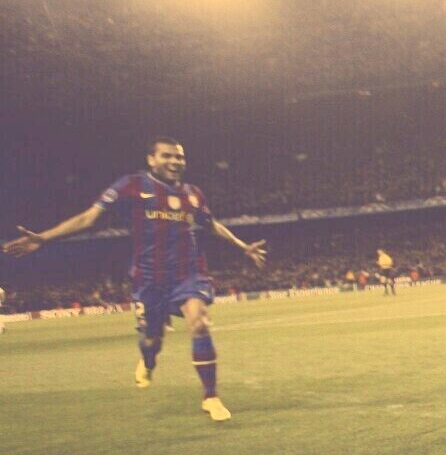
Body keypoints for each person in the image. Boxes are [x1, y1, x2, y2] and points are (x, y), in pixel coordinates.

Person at [3, 136, 266, 421]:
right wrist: (44, 238)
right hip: (149, 279)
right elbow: (89, 218)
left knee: (200, 323)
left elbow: (210, 224)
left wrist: (242, 246)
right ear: (151, 159)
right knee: (152, 339)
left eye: (179, 156)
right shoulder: (131, 186)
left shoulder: (193, 194)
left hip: (189, 273)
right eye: (167, 156)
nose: (174, 161)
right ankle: (149, 361)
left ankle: (211, 397)